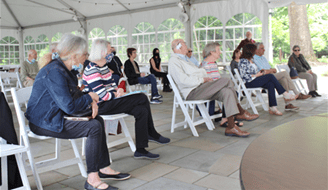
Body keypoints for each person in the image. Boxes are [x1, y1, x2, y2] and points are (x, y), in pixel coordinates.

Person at [25, 34, 127, 190]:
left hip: (55, 115)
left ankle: (103, 167)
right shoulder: (54, 71)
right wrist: (90, 97)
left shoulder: (65, 69)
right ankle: (92, 179)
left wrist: (90, 100)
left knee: (97, 120)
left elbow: (73, 97)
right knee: (93, 127)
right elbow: (69, 106)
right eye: (85, 54)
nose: (87, 57)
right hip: (44, 121)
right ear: (74, 55)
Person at [83, 39, 170, 160]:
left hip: (110, 101)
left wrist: (118, 91)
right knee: (142, 97)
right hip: (101, 106)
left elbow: (113, 87)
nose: (112, 54)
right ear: (102, 52)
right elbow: (103, 96)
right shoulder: (92, 69)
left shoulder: (104, 67)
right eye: (110, 51)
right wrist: (116, 93)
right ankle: (151, 133)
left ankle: (141, 149)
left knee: (141, 110)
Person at [169, 39, 258, 138]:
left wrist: (203, 78)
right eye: (185, 43)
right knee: (227, 81)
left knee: (227, 91)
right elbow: (183, 80)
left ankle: (231, 127)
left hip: (200, 87)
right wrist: (203, 79)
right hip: (192, 92)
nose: (186, 46)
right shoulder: (174, 61)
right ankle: (241, 112)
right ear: (178, 46)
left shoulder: (186, 59)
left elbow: (199, 72)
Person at [200, 42, 259, 127]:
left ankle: (227, 118)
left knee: (231, 91)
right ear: (212, 52)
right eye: (218, 50)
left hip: (216, 88)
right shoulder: (205, 65)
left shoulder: (212, 64)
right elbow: (208, 82)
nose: (220, 52)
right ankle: (237, 114)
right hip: (209, 90)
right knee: (231, 92)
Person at [238, 43, 297, 116]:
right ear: (249, 51)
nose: (255, 51)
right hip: (248, 82)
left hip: (255, 79)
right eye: (254, 50)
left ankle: (273, 107)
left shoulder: (251, 60)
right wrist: (257, 75)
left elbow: (254, 71)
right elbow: (244, 76)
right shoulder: (243, 61)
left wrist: (260, 73)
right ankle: (285, 94)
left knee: (270, 84)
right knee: (270, 76)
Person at [253, 42, 311, 109]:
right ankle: (297, 93)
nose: (264, 50)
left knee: (284, 79)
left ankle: (288, 104)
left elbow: (274, 70)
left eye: (264, 48)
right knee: (285, 73)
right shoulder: (254, 59)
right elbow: (263, 71)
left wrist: (270, 70)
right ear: (256, 50)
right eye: (262, 48)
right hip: (264, 78)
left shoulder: (263, 58)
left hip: (272, 75)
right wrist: (270, 70)